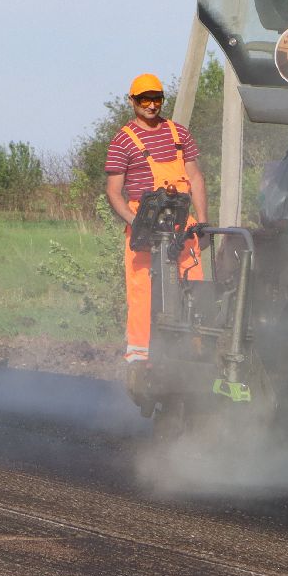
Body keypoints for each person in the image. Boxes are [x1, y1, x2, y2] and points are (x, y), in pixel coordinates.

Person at [103, 73, 210, 393]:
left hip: (182, 222)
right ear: (132, 101)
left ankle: (195, 349)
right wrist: (135, 222)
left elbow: (195, 178)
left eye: (157, 98)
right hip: (145, 222)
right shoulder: (123, 140)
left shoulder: (180, 134)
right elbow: (114, 191)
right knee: (143, 291)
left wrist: (202, 221)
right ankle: (141, 357)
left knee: (193, 285)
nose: (151, 105)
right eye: (144, 99)